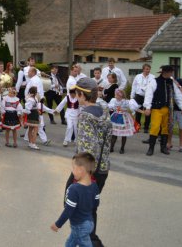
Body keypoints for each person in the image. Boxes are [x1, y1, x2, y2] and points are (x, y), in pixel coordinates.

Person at [66, 77, 112, 246]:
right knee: (90, 210)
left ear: (82, 95)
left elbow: (88, 149)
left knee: (77, 211)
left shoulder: (86, 115)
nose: (76, 97)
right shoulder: (104, 109)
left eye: (77, 94)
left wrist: (81, 177)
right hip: (103, 169)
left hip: (88, 172)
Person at [51, 152, 101, 247]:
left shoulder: (74, 189)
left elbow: (68, 211)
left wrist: (58, 224)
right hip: (89, 222)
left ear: (81, 170)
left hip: (79, 225)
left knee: (85, 244)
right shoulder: (94, 185)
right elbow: (96, 203)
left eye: (73, 168)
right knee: (70, 243)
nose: (72, 171)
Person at [142, 65, 182, 156]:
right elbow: (148, 94)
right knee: (155, 128)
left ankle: (163, 148)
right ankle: (151, 148)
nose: (172, 73)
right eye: (170, 72)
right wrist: (147, 107)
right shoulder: (154, 81)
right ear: (165, 72)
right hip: (156, 109)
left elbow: (178, 96)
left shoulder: (171, 83)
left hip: (167, 109)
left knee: (165, 128)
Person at [108, 89, 140, 154]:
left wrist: (137, 110)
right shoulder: (113, 100)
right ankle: (111, 147)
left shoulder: (126, 101)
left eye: (117, 95)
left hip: (124, 117)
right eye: (115, 95)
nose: (116, 96)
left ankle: (122, 148)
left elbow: (133, 108)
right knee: (114, 134)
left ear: (121, 95)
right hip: (115, 117)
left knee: (124, 134)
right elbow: (110, 107)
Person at [131, 64, 154, 133]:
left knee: (147, 112)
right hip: (139, 96)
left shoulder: (152, 77)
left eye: (149, 69)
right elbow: (134, 86)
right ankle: (137, 126)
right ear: (143, 69)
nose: (148, 70)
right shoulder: (138, 77)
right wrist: (132, 97)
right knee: (138, 112)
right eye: (146, 69)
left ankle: (146, 127)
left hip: (148, 97)